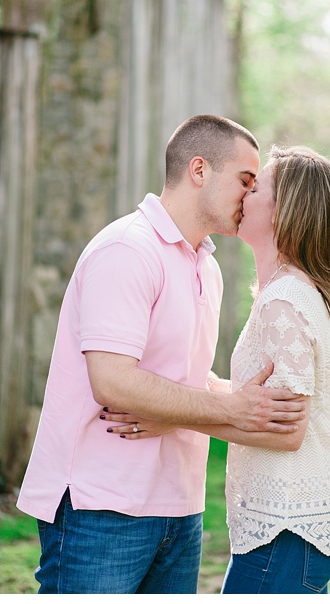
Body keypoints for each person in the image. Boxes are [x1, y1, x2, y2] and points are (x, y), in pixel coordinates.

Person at [15, 115, 310, 594]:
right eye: (244, 180)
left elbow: (180, 377)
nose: (251, 195)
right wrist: (229, 407)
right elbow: (111, 381)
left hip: (180, 508)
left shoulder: (206, 268)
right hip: (101, 506)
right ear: (199, 170)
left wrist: (232, 397)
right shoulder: (127, 250)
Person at [103, 145, 330, 594]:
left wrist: (173, 416)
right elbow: (263, 399)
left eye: (256, 187)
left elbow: (285, 429)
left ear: (284, 213)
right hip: (287, 528)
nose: (243, 194)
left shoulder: (285, 301)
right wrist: (202, 389)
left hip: (286, 530)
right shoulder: (286, 292)